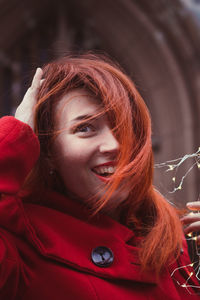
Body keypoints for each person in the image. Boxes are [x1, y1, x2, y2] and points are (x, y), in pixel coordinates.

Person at [0, 54, 199, 300]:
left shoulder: (176, 241)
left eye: (123, 125)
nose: (114, 144)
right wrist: (11, 140)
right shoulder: (18, 245)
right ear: (48, 151)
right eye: (85, 128)